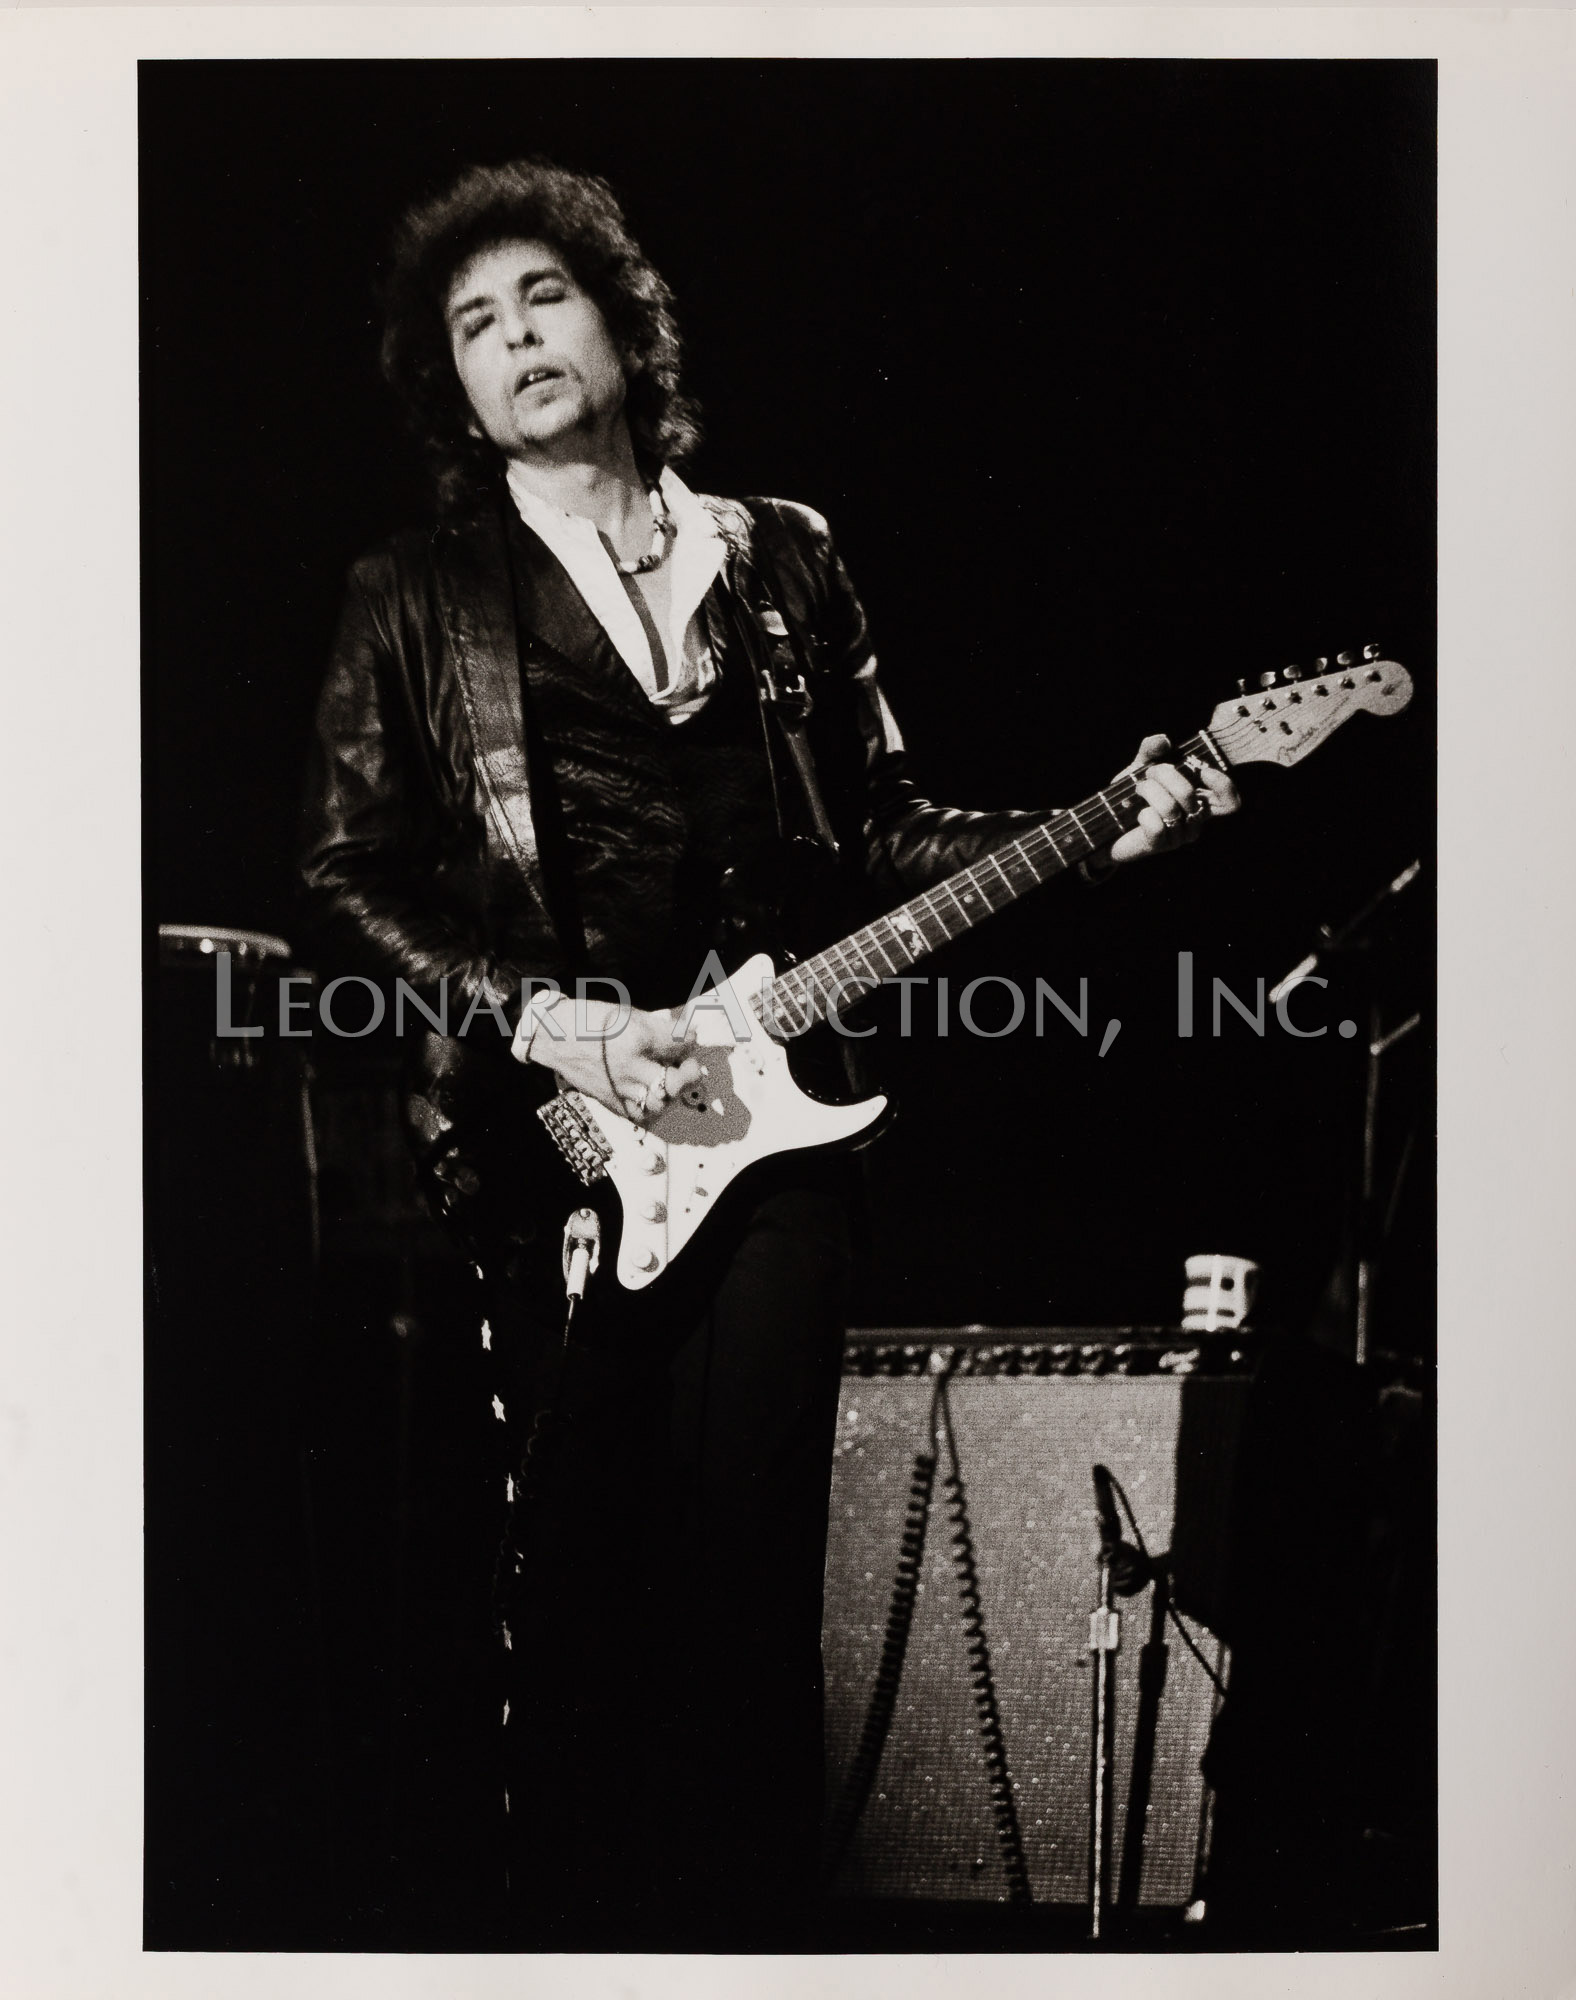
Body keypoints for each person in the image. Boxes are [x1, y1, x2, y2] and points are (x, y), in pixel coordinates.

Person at [299, 157, 1239, 1949]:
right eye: (477, 326)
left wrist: (1098, 829)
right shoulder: (414, 593)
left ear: (622, 323)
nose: (518, 339)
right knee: (577, 1599)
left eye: (545, 298)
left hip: (777, 1130)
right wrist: (558, 1026)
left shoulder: (784, 558)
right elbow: (342, 876)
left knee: (747, 1590)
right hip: (554, 1147)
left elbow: (879, 830)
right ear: (455, 389)